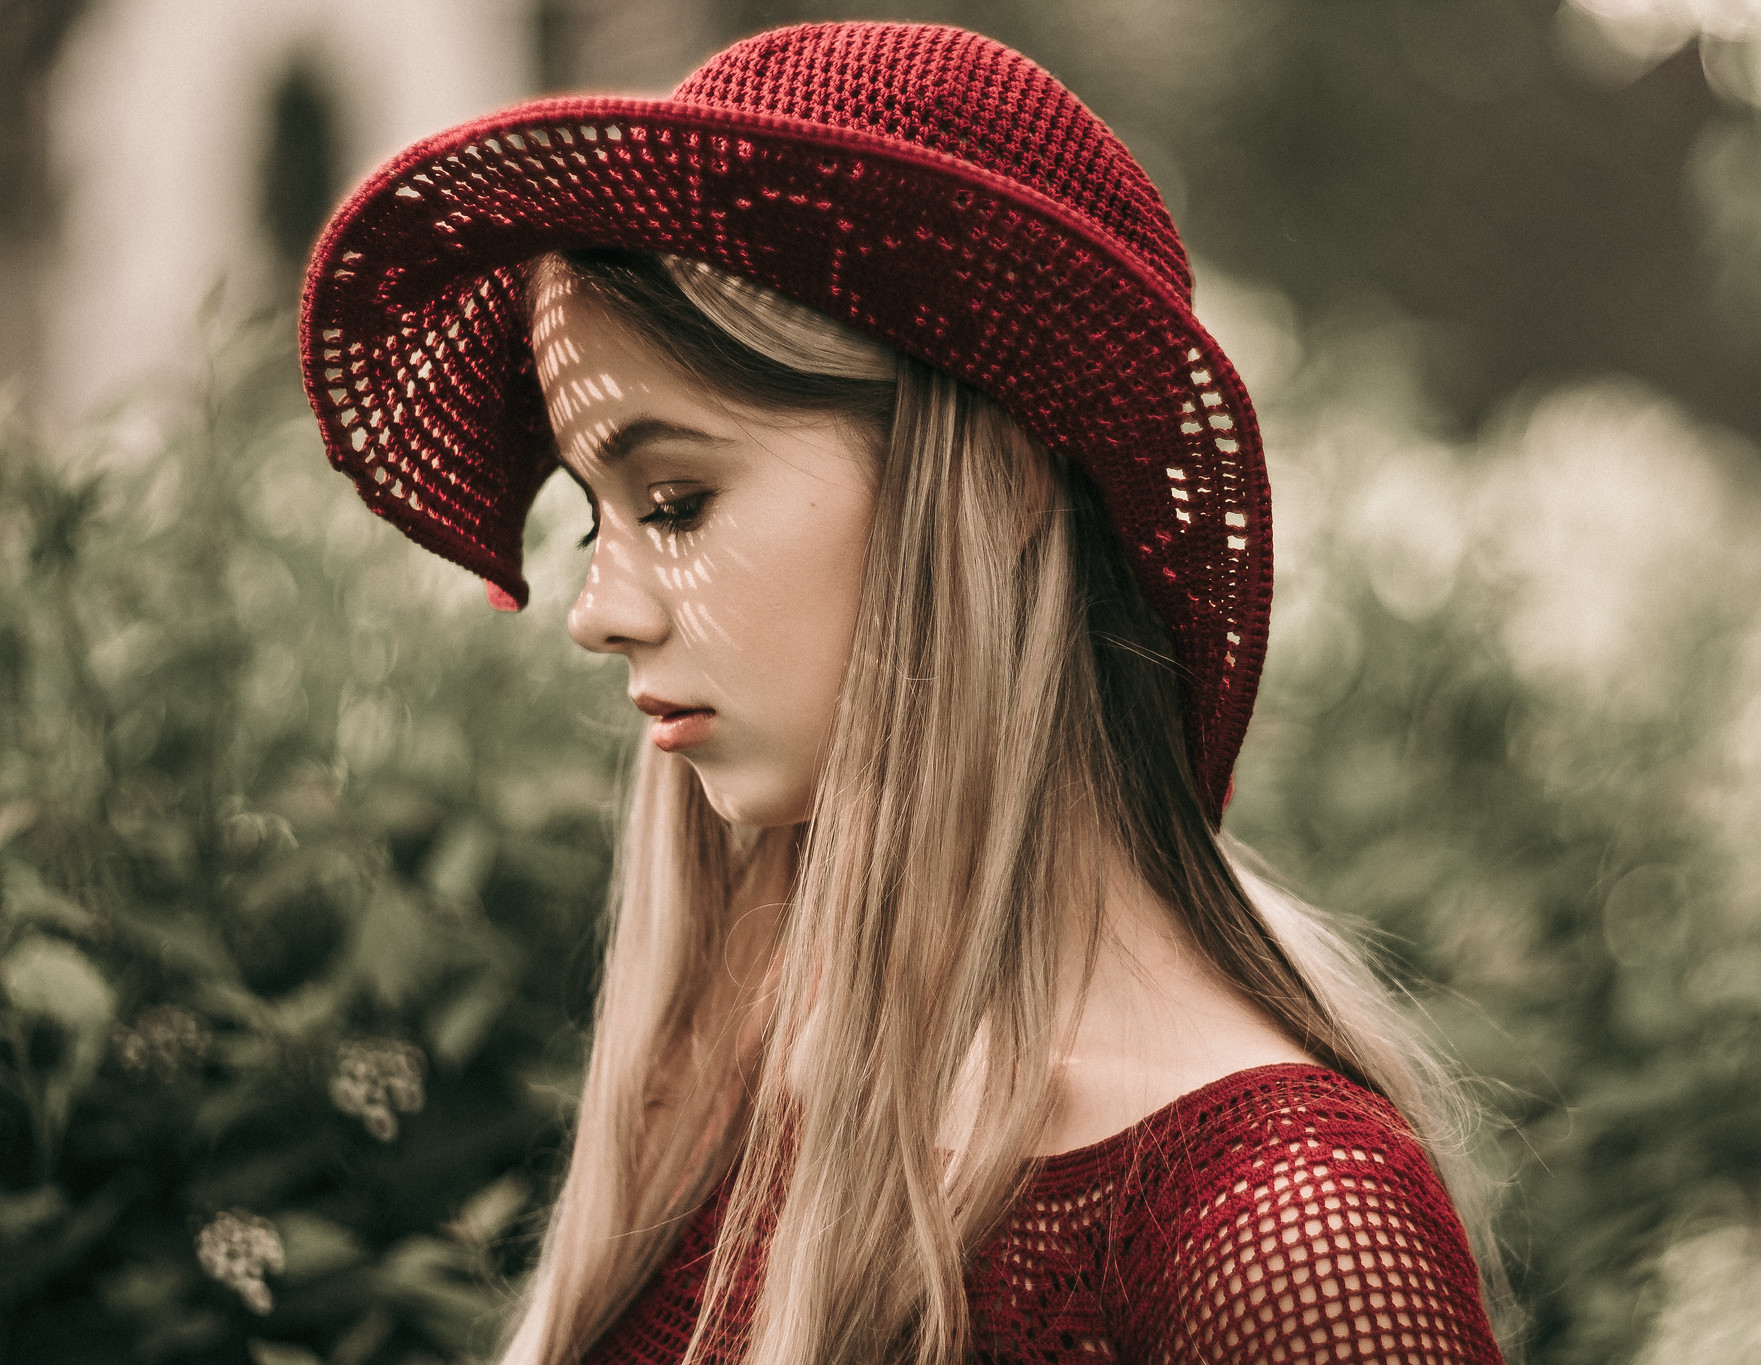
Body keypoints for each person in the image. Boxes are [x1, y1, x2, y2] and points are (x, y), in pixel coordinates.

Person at [299, 21, 1508, 1365]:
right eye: (598, 518)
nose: (598, 611)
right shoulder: (755, 1066)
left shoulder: (1287, 1232)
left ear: (991, 483)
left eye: (680, 500)